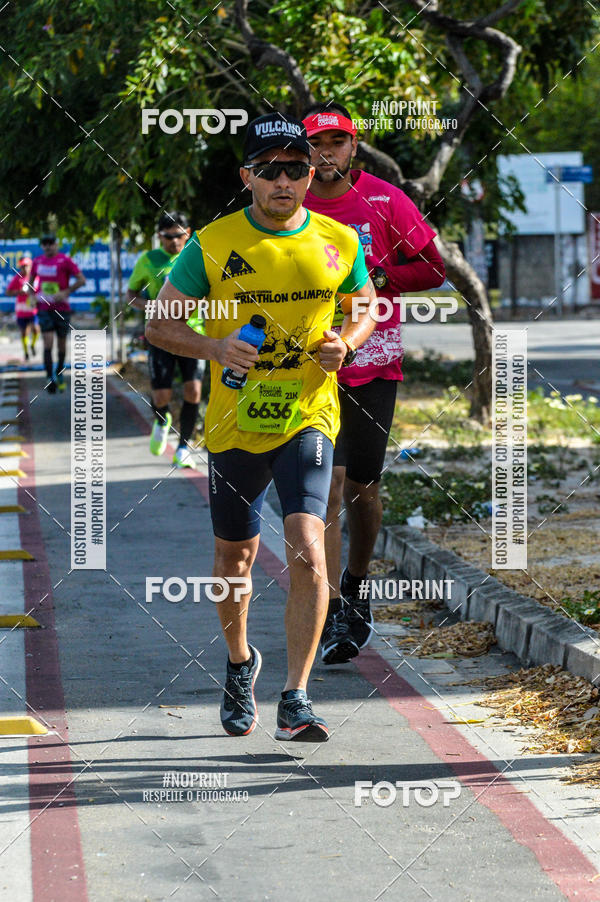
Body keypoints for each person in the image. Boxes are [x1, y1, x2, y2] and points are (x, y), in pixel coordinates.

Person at [147, 112, 376, 742]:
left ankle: (296, 696)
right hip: (233, 423)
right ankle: (240, 661)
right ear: (246, 176)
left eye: (296, 169)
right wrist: (216, 349)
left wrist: (346, 345)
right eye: (269, 170)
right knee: (234, 557)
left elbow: (364, 308)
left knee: (307, 545)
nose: (284, 181)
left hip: (308, 415)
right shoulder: (212, 244)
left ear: (312, 173)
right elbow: (158, 326)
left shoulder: (339, 241)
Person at [302, 102, 446, 665]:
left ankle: (357, 584)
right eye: (317, 144)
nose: (326, 153)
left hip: (375, 363)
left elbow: (432, 267)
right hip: (311, 368)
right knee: (329, 486)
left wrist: (383, 274)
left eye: (336, 143)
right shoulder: (293, 202)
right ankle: (332, 606)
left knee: (362, 489)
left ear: (353, 147)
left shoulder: (386, 199)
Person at [128, 211, 204, 469]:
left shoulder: (195, 256)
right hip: (161, 334)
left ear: (189, 233)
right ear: (159, 236)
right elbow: (130, 293)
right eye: (169, 236)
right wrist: (150, 306)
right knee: (161, 395)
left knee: (193, 391)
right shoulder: (149, 260)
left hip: (193, 334)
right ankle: (162, 420)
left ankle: (183, 447)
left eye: (180, 235)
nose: (174, 241)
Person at [29, 235, 86, 393]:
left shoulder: (64, 260)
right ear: (42, 246)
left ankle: (59, 373)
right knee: (48, 342)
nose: (48, 247)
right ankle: (49, 377)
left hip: (62, 309)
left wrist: (66, 292)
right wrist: (31, 296)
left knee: (61, 344)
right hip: (43, 308)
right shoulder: (37, 261)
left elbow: (82, 280)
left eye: (51, 244)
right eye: (44, 244)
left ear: (56, 244)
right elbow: (30, 282)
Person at [6, 254, 40, 360]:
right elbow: (8, 292)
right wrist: (19, 292)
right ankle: (26, 353)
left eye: (27, 266)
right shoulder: (17, 278)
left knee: (36, 329)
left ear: (31, 266)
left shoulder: (36, 277)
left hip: (32, 309)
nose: (25, 268)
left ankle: (33, 345)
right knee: (24, 332)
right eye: (23, 266)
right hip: (21, 310)